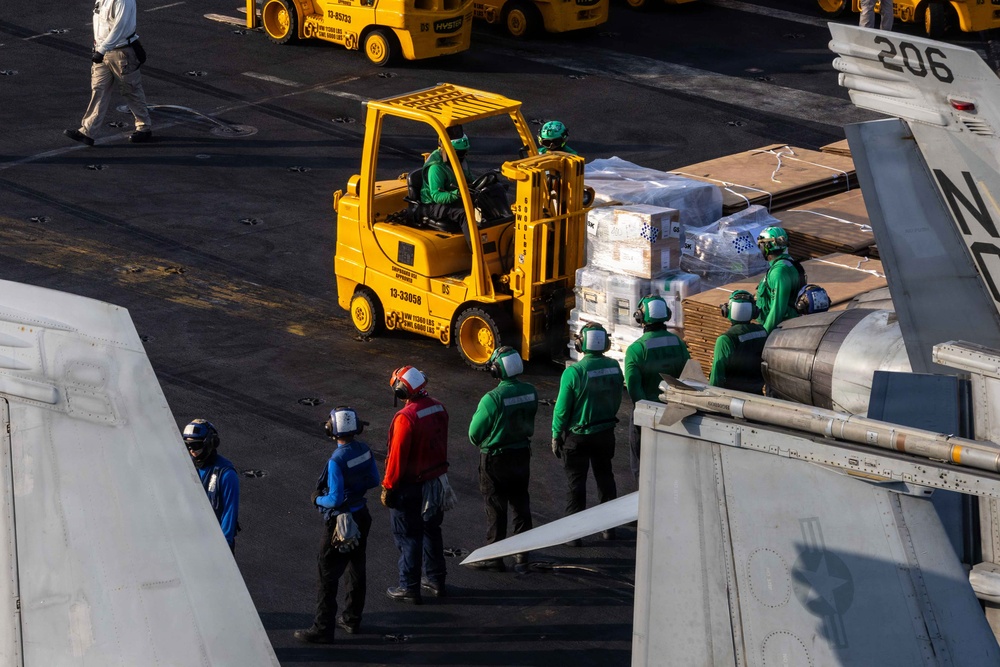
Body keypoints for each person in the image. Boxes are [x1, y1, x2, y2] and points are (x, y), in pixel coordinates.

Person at [295, 407, 381, 644]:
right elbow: (374, 480)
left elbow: (333, 499)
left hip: (340, 523)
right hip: (361, 515)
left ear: (332, 430)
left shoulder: (336, 461)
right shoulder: (365, 450)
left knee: (327, 574)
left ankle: (323, 628)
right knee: (356, 568)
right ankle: (352, 619)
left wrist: (316, 499)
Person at [382, 366, 450, 604]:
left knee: (408, 536)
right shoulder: (439, 407)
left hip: (411, 486)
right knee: (432, 530)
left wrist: (389, 487)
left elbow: (396, 458)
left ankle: (409, 587)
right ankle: (436, 580)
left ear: (401, 391)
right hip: (436, 482)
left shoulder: (405, 418)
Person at [552, 322, 623, 544]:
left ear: (581, 344)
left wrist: (556, 434)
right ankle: (609, 528)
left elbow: (561, 410)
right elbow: (617, 397)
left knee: (576, 483)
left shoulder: (573, 372)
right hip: (605, 432)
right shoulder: (614, 367)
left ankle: (574, 534)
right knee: (605, 477)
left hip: (579, 437)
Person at [467, 346, 537, 571]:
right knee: (521, 502)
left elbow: (474, 434)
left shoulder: (492, 399)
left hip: (496, 459)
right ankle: (522, 553)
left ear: (497, 370)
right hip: (521, 454)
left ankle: (494, 556)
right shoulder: (531, 391)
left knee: (496, 507)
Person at [64, 0, 152, 146]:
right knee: (99, 89)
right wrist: (99, 47)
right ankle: (88, 131)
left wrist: (102, 49)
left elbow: (120, 27)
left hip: (121, 53)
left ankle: (144, 127)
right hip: (101, 51)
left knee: (130, 90)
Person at [624, 295, 690, 480]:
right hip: (674, 413)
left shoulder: (636, 350)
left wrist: (643, 418)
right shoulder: (678, 343)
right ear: (666, 315)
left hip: (647, 414)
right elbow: (687, 378)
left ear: (640, 317)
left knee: (643, 468)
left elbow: (634, 391)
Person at [182, 419, 239, 552]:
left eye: (195, 445)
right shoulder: (186, 466)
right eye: (187, 445)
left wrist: (222, 549)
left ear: (209, 442)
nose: (191, 450)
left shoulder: (226, 474)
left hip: (215, 545)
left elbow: (229, 513)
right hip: (191, 541)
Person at [710, 290, 769, 394]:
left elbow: (716, 379)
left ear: (727, 312)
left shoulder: (725, 340)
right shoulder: (762, 332)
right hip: (757, 395)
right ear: (754, 312)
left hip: (732, 398)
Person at [420, 132, 475, 242]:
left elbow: (470, 179)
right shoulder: (436, 168)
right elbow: (436, 196)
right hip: (432, 205)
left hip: (455, 195)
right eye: (460, 153)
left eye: (465, 152)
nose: (463, 156)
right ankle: (476, 248)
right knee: (465, 213)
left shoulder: (459, 160)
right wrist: (457, 194)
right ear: (447, 150)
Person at [755, 226, 805, 334]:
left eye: (761, 245)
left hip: (780, 330)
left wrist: (765, 334)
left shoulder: (779, 272)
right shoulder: (790, 264)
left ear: (767, 247)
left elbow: (777, 309)